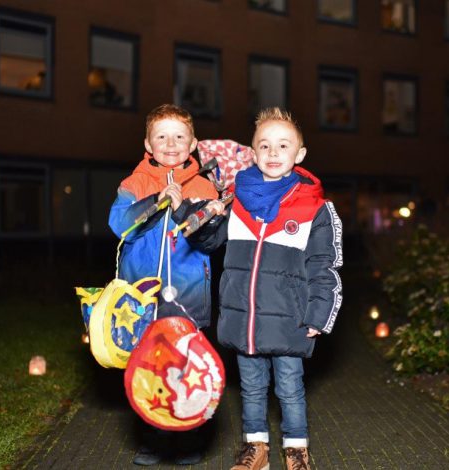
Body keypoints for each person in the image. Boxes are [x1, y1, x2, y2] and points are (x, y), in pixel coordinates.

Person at [192, 107, 344, 470]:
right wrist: (208, 218)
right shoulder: (235, 199)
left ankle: (296, 452)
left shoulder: (314, 207)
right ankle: (255, 449)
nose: (273, 153)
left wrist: (320, 313)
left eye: (283, 145)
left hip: (288, 319)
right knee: (251, 388)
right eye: (265, 145)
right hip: (244, 316)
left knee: (289, 388)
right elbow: (208, 243)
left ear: (299, 154)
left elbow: (325, 265)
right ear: (253, 152)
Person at [108, 103, 218, 466]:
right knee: (149, 367)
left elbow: (212, 239)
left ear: (193, 143)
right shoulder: (134, 183)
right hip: (143, 294)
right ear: (148, 144)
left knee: (186, 367)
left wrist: (199, 211)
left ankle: (188, 440)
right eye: (162, 137)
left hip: (188, 293)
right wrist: (157, 202)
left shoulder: (204, 185)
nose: (171, 144)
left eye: (179, 137)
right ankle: (152, 440)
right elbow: (119, 224)